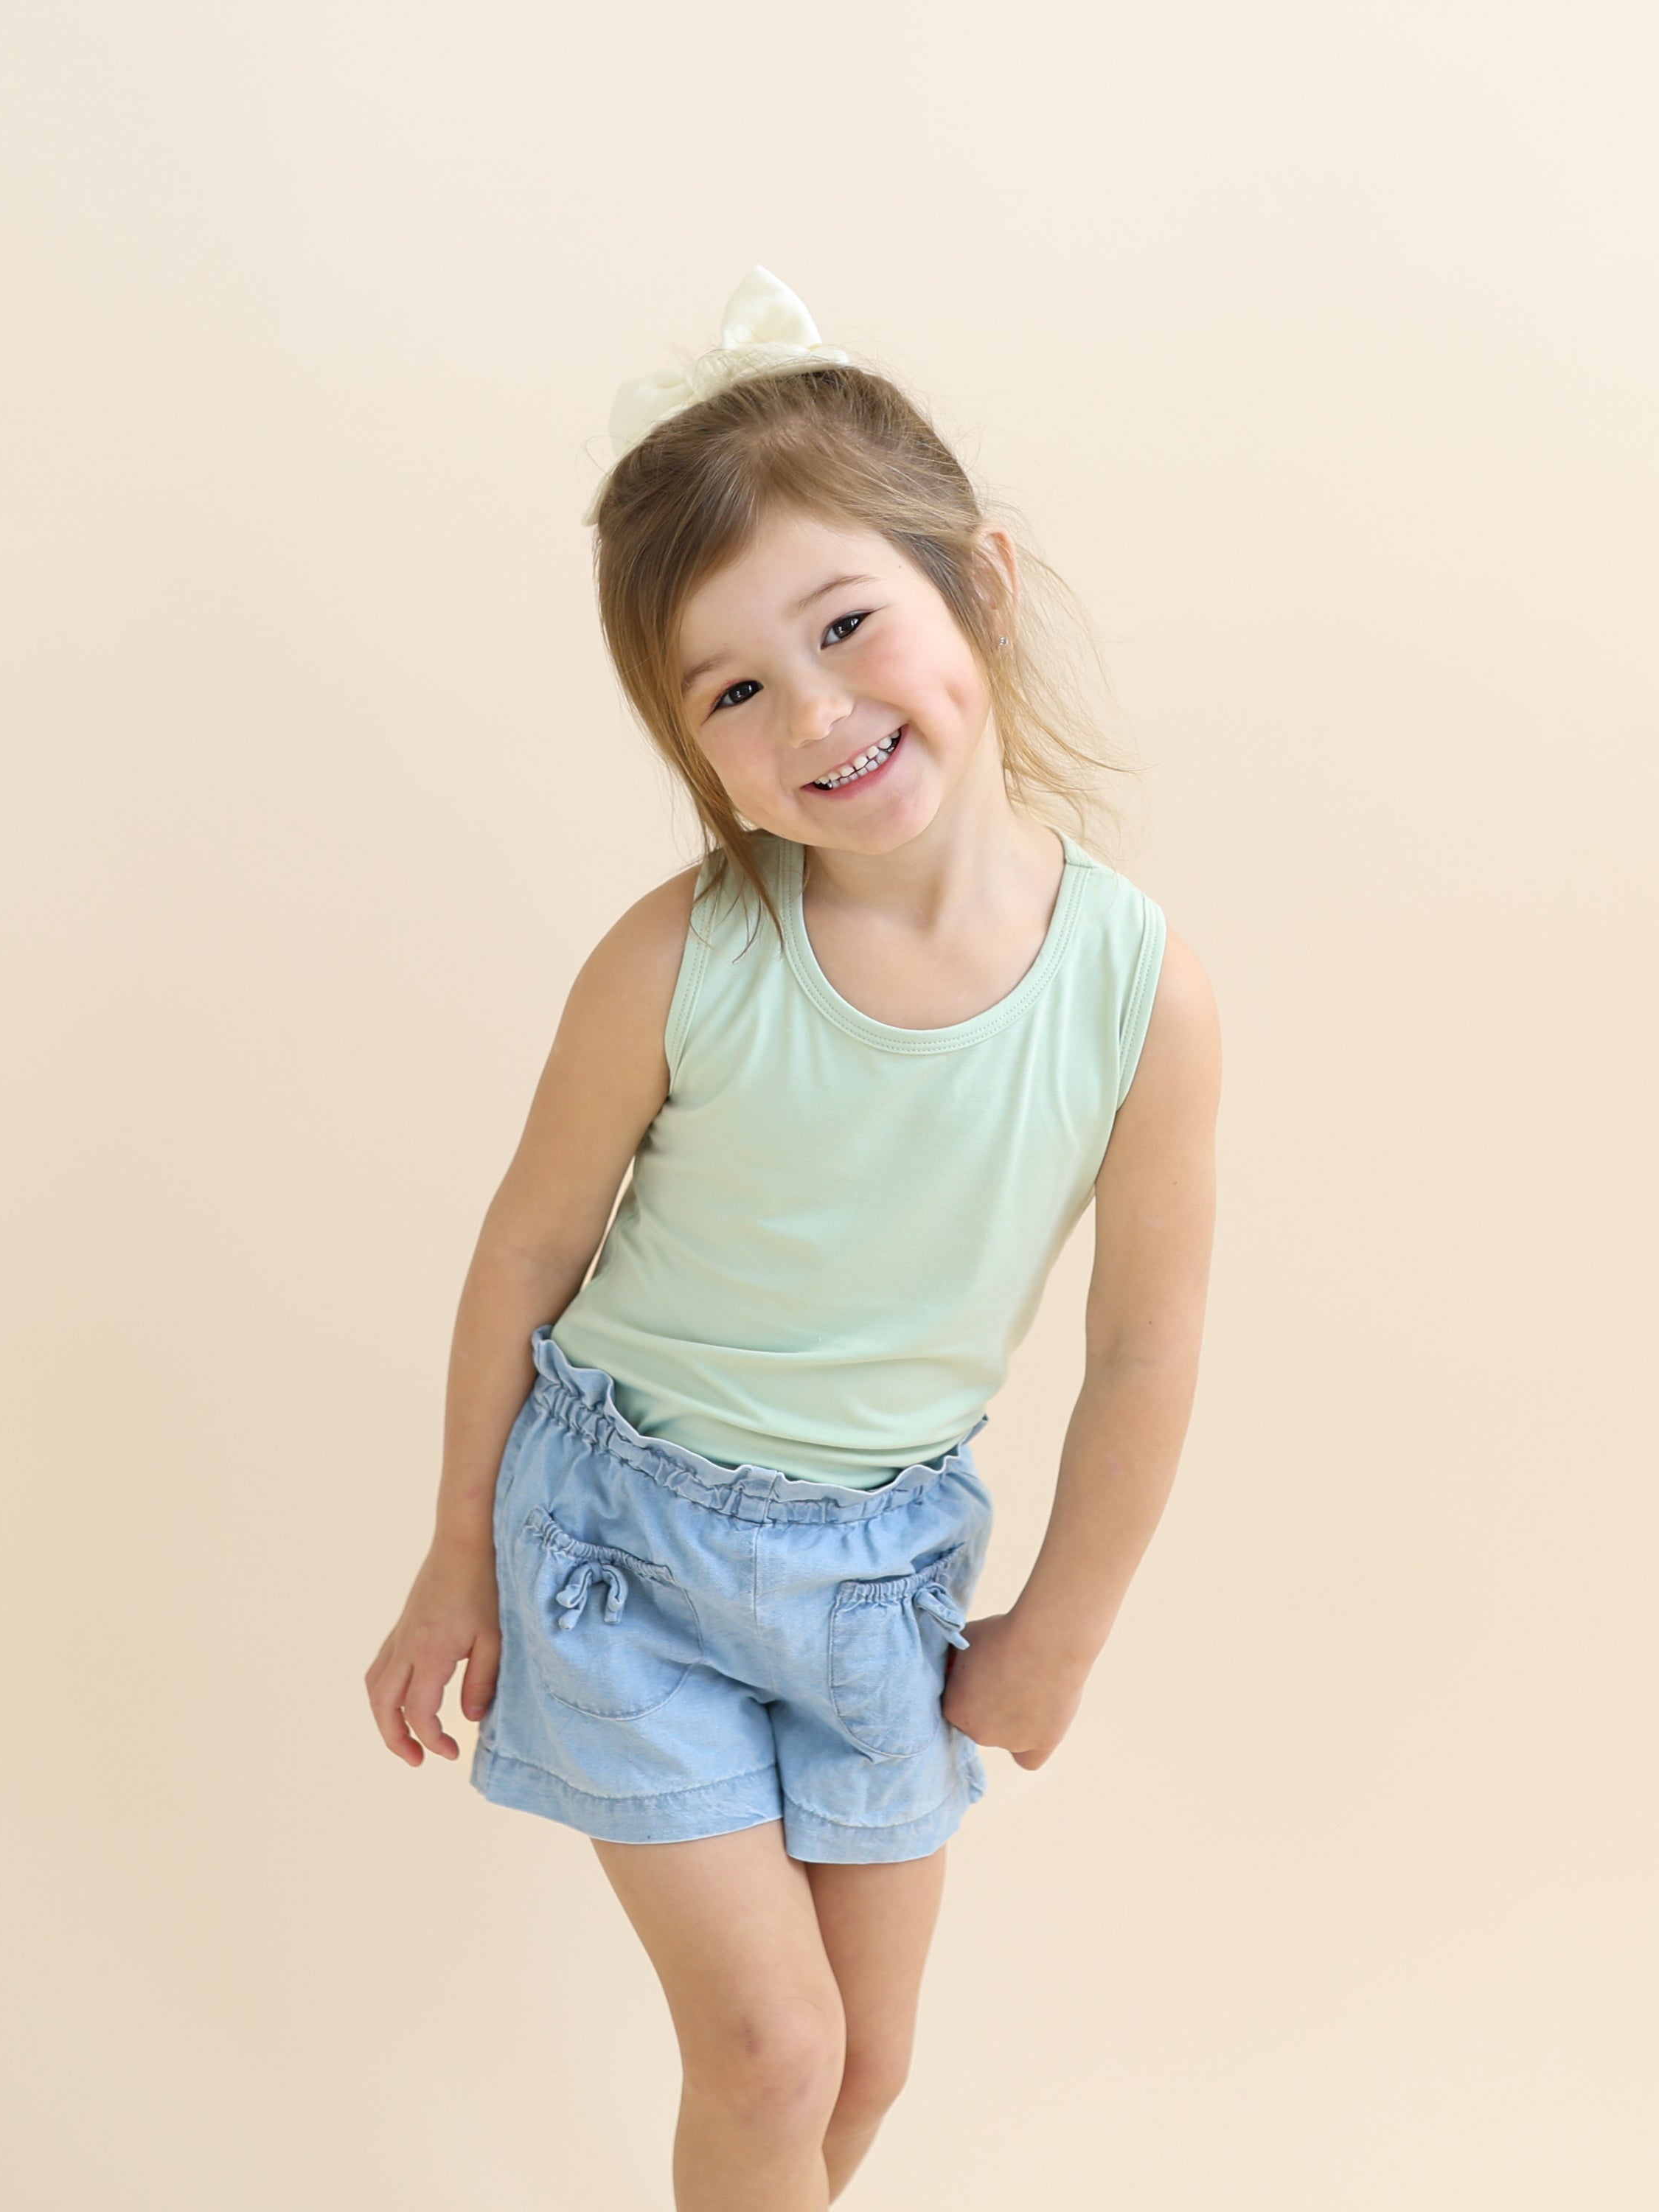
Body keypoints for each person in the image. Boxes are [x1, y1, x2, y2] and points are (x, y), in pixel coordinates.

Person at [365, 268, 1221, 2211]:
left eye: (850, 626)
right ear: (693, 747)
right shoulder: (684, 960)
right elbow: (525, 1254)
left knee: (866, 2067)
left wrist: (1059, 1640)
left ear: (979, 587)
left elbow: (1146, 1349)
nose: (816, 711)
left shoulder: (1138, 991)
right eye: (736, 689)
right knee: (773, 2053)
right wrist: (451, 1564)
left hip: (881, 1577)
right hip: (620, 1537)